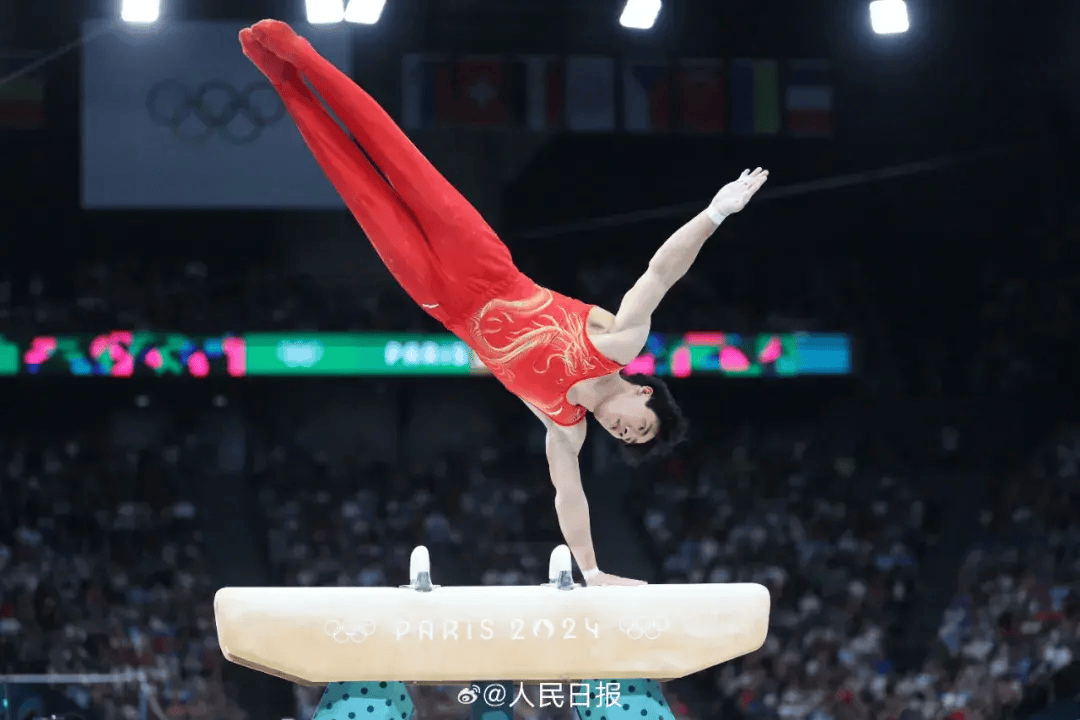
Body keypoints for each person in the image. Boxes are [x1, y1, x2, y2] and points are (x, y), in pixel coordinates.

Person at [239, 20, 769, 586]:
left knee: (354, 184)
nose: (625, 434)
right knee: (392, 152)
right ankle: (301, 53)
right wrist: (715, 214)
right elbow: (661, 271)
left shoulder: (565, 427)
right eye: (640, 427)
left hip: (440, 302)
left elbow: (570, 496)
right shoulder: (618, 341)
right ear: (644, 392)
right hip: (483, 266)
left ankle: (282, 78)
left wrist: (589, 571)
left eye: (630, 442)